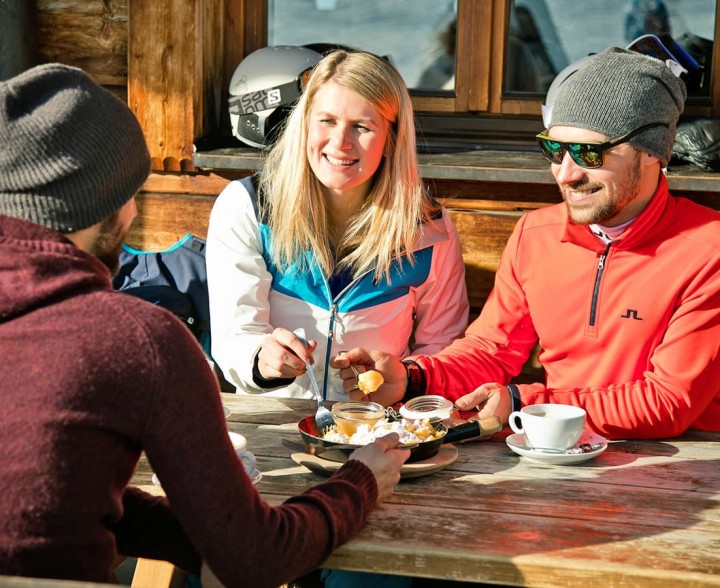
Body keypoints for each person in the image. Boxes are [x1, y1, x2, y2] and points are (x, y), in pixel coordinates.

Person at [0, 62, 411, 586]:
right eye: (132, 191)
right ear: (108, 203)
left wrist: (190, 537)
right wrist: (361, 481)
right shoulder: (138, 342)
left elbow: (68, 492)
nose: (133, 211)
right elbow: (255, 558)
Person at [333, 46, 720, 440]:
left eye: (589, 154)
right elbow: (491, 349)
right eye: (554, 149)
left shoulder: (708, 251)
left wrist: (524, 404)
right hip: (555, 449)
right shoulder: (536, 234)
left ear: (652, 151)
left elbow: (668, 401)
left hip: (679, 459)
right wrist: (413, 378)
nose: (565, 174)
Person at [206, 49, 468, 402]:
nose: (340, 142)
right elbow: (235, 335)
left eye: (362, 126)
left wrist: (405, 378)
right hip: (271, 418)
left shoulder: (426, 229)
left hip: (376, 422)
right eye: (327, 120)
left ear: (391, 140)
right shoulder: (249, 207)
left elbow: (443, 347)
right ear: (304, 124)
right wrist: (260, 359)